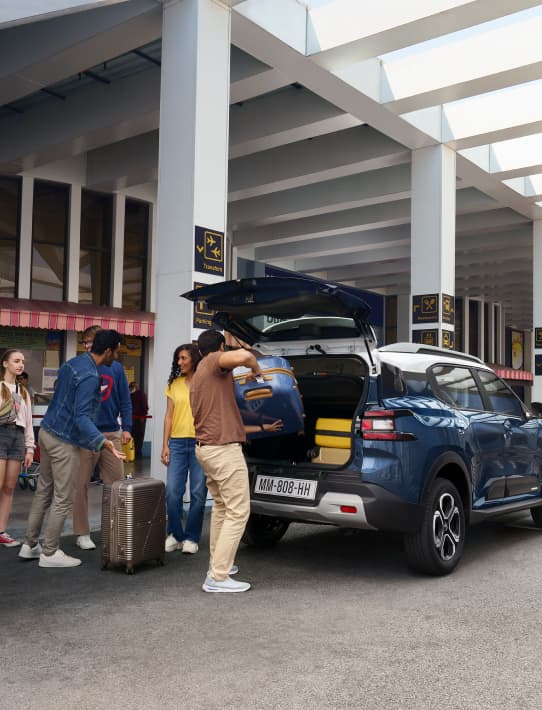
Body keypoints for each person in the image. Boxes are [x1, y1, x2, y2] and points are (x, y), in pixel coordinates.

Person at [18, 330, 126, 568]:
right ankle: (49, 552)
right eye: (116, 351)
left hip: (47, 432)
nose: (117, 356)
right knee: (63, 498)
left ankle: (30, 545)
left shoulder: (73, 364)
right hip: (64, 442)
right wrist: (104, 442)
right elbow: (82, 418)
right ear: (107, 351)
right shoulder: (89, 376)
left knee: (44, 491)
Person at [190, 329, 282, 593]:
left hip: (207, 449)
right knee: (239, 511)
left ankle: (219, 566)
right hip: (222, 450)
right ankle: (217, 578)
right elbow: (243, 355)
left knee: (222, 507)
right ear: (220, 347)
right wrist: (255, 368)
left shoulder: (199, 375)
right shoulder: (213, 362)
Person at [72, 325, 132, 550]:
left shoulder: (115, 368)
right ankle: (82, 532)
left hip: (111, 432)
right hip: (86, 435)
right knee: (80, 485)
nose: (88, 346)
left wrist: (126, 427)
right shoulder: (78, 367)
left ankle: (115, 528)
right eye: (85, 342)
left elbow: (125, 399)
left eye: (91, 342)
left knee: (116, 484)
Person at [161, 343, 206, 555]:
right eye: (178, 359)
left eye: (183, 358)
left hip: (200, 443)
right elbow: (168, 416)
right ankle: (176, 535)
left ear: (194, 359)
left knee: (198, 493)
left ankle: (191, 537)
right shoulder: (174, 384)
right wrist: (164, 445)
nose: (179, 362)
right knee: (172, 492)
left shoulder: (205, 383)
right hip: (177, 444)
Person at [0, 350, 35, 548]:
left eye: (22, 361)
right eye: (16, 361)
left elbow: (28, 422)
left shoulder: (23, 391)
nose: (20, 364)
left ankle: (1, 531)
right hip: (1, 434)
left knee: (9, 487)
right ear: (5, 364)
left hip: (18, 437)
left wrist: (30, 448)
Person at [130, 381, 148, 458]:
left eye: (134, 386)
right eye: (131, 387)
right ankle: (132, 452)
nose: (133, 388)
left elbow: (144, 407)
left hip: (139, 419)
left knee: (139, 436)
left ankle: (138, 453)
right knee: (132, 435)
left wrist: (142, 417)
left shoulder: (141, 394)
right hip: (132, 418)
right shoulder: (130, 395)